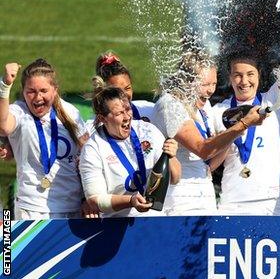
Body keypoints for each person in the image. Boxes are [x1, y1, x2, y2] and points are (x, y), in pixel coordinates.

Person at [210, 19, 280, 216]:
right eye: (238, 75)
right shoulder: (218, 112)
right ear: (229, 77)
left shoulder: (273, 102)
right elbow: (211, 162)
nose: (244, 81)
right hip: (233, 201)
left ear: (259, 75)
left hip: (274, 201)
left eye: (250, 74)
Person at [0, 60, 89, 220]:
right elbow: (3, 127)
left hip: (72, 206)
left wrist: (87, 198)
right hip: (31, 207)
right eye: (31, 91)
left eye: (43, 90)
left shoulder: (70, 112)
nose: (38, 97)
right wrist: (5, 85)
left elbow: (87, 155)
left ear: (55, 90)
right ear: (23, 91)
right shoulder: (20, 111)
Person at [80, 86, 181, 217]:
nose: (127, 117)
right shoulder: (93, 148)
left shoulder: (148, 130)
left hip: (156, 220)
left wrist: (171, 156)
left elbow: (175, 179)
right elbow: (94, 200)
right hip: (117, 224)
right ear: (103, 119)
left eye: (128, 109)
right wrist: (131, 201)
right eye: (118, 113)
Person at [151, 50, 224, 216]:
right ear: (187, 81)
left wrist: (229, 135)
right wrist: (240, 126)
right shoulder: (170, 105)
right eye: (205, 84)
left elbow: (211, 154)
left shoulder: (205, 105)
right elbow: (202, 149)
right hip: (178, 198)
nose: (211, 90)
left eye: (214, 83)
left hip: (205, 195)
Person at [94, 51, 154, 122]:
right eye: (117, 91)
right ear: (103, 93)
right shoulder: (94, 129)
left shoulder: (150, 110)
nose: (124, 95)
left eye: (127, 88)